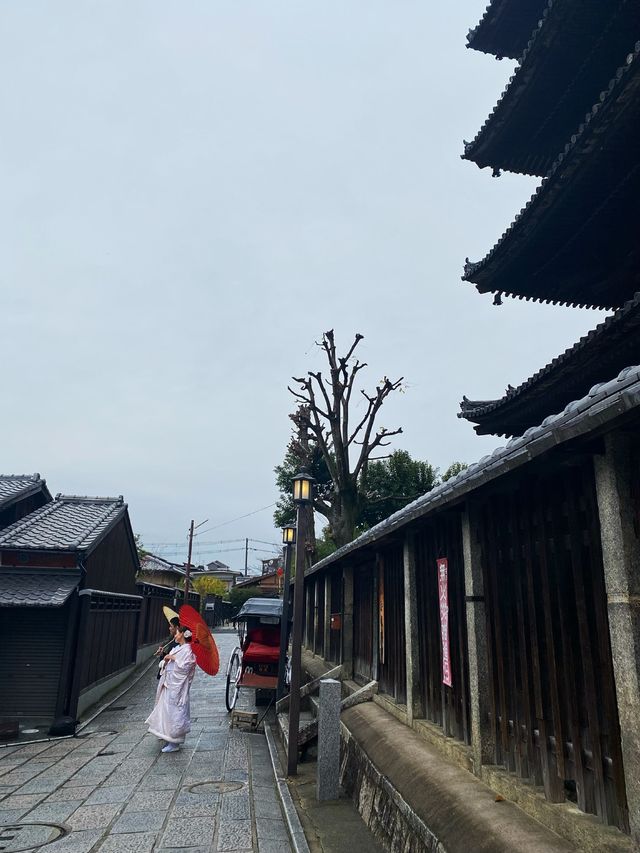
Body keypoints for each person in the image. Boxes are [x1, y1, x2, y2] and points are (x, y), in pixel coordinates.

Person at [146, 625, 197, 752]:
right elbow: (165, 662)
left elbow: (186, 668)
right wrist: (165, 658)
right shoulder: (176, 648)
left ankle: (175, 742)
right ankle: (167, 737)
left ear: (183, 635)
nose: (174, 635)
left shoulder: (189, 650)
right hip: (168, 684)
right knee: (166, 711)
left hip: (178, 688)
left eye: (177, 633)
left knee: (176, 712)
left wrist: (173, 658)